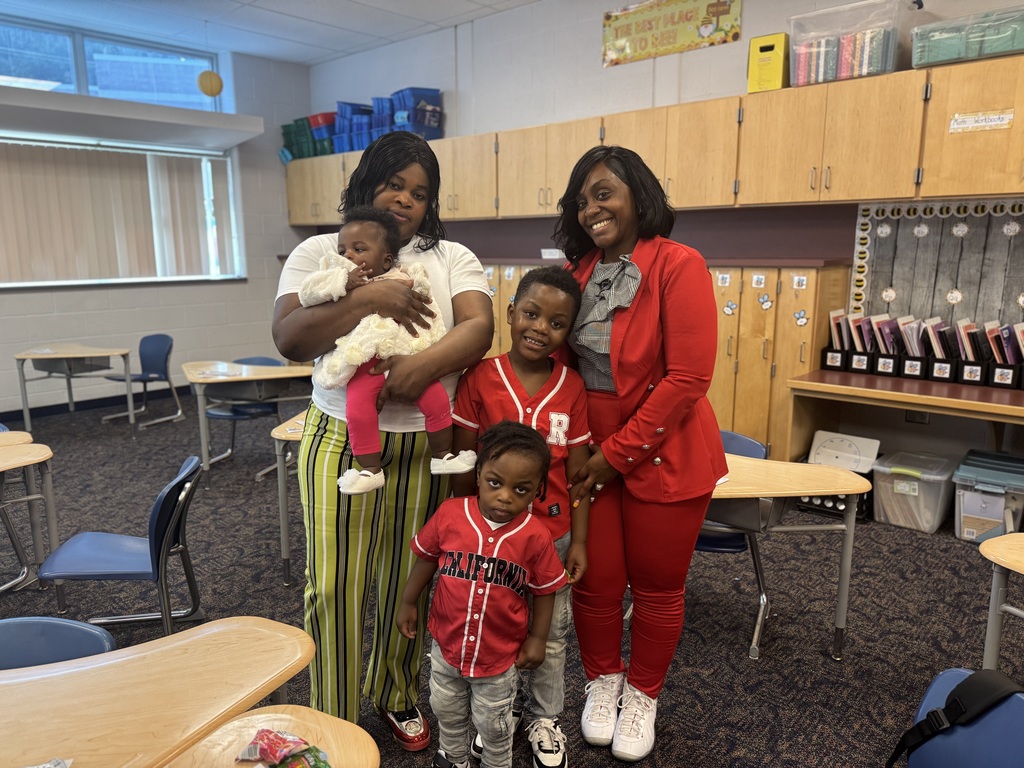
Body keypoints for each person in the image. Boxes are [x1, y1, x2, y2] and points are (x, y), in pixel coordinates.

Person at [272, 130, 494, 751]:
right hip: (341, 436)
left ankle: (396, 693)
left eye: (420, 193)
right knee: (335, 583)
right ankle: (335, 714)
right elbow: (290, 338)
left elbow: (480, 326)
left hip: (427, 444)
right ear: (368, 182)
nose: (404, 199)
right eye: (394, 183)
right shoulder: (323, 249)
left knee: (407, 580)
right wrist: (372, 294)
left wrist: (419, 370)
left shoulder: (453, 257)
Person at [552, 145, 728, 762]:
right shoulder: (575, 274)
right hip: (590, 453)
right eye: (582, 200)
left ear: (637, 196)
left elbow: (687, 379)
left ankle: (644, 694)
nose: (591, 209)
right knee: (595, 581)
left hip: (665, 450)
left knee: (657, 587)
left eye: (603, 193)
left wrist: (616, 454)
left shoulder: (679, 264)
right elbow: (557, 366)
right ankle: (604, 681)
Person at [450, 265, 590, 768]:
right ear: (511, 313)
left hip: (548, 537)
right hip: (488, 540)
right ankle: (497, 714)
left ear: (568, 332)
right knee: (494, 627)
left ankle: (545, 717)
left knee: (550, 636)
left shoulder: (572, 388)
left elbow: (578, 477)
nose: (540, 328)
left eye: (556, 322)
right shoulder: (480, 379)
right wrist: (460, 530)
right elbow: (463, 467)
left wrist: (578, 540)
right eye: (531, 313)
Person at [396, 420, 568, 768]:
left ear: (537, 491)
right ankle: (454, 758)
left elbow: (546, 591)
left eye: (521, 490)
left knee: (494, 723)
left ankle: (496, 762)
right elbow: (427, 558)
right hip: (447, 645)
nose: (504, 496)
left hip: (498, 656)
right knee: (446, 708)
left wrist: (538, 639)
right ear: (478, 476)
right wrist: (408, 600)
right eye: (495, 483)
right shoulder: (450, 514)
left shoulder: (535, 536)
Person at [297, 205, 476, 494]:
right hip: (364, 364)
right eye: (343, 251)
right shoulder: (339, 280)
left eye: (359, 249)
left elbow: (425, 303)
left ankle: (443, 456)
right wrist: (344, 281)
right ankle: (370, 470)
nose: (349, 256)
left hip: (403, 358)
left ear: (386, 259)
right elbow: (309, 293)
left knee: (437, 402)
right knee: (358, 412)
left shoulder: (403, 276)